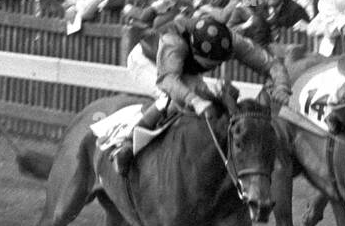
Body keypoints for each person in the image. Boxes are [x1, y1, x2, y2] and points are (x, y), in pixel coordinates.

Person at [114, 13, 292, 175]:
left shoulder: (233, 40)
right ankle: (127, 145)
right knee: (170, 98)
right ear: (194, 49)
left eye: (218, 63)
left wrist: (282, 86)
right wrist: (195, 101)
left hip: (182, 65)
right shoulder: (174, 43)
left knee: (209, 101)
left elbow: (271, 64)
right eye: (209, 65)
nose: (214, 68)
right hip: (146, 60)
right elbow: (167, 80)